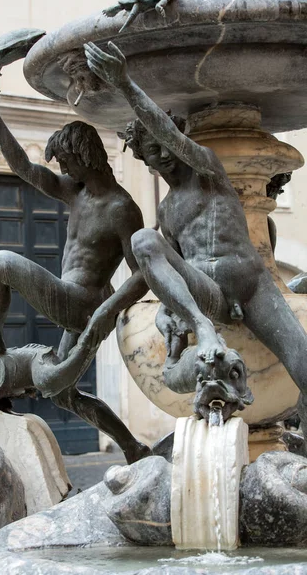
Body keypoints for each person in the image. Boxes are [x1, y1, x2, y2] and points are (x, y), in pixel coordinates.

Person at [84, 40, 307, 441]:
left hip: (252, 284)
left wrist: (125, 83)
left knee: (303, 363)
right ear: (147, 162)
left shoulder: (208, 170)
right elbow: (160, 266)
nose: (163, 154)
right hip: (209, 296)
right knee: (144, 240)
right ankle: (204, 329)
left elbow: (171, 136)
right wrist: (159, 309)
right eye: (153, 152)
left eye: (164, 144)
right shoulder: (168, 211)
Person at [0, 76, 150, 463]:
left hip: (85, 305)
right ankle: (133, 447)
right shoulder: (74, 192)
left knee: (0, 262)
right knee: (60, 393)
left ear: (82, 157)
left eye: (64, 161)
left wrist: (105, 313)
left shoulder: (121, 208)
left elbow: (142, 273)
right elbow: (24, 168)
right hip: (70, 302)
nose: (61, 168)